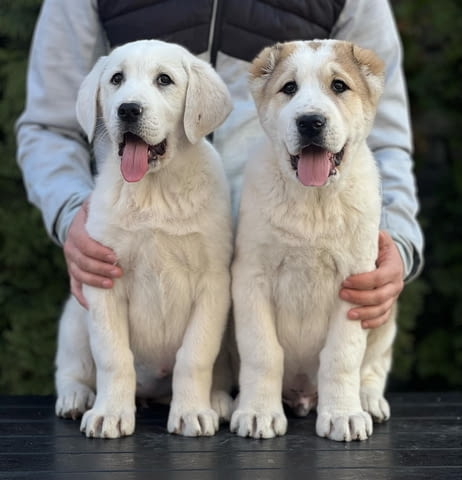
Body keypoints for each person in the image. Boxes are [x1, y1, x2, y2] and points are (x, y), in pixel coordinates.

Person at [16, 0, 424, 329]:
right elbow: (51, 126)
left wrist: (396, 241)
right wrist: (72, 212)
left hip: (290, 321)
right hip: (143, 309)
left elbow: (380, 134)